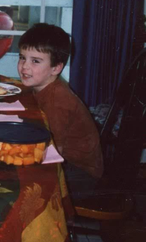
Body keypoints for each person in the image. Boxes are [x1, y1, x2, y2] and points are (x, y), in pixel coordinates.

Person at [17, 23, 103, 190]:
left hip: (80, 173)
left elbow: (53, 151)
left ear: (56, 68)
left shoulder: (58, 100)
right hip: (64, 159)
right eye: (22, 57)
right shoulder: (43, 85)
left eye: (35, 61)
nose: (24, 66)